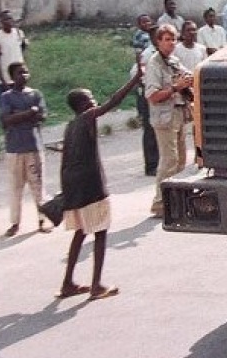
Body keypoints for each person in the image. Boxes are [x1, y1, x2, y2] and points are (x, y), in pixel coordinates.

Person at [57, 66, 142, 301]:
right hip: (91, 185)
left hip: (74, 185)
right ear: (84, 105)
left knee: (81, 232)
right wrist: (134, 80)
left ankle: (68, 283)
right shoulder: (87, 117)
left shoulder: (70, 126)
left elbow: (64, 161)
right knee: (101, 232)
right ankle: (96, 286)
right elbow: (114, 101)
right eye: (91, 99)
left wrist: (66, 193)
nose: (94, 102)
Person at [144, 24, 193, 218]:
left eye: (173, 39)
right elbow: (152, 95)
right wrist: (175, 87)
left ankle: (175, 202)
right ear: (158, 42)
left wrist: (187, 81)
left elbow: (186, 75)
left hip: (179, 113)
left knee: (180, 160)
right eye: (166, 39)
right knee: (168, 160)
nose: (171, 43)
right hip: (164, 116)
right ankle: (160, 204)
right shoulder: (154, 64)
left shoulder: (173, 61)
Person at [0, 62, 49, 237]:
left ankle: (43, 219)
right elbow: (6, 120)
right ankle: (15, 222)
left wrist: (19, 115)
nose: (24, 76)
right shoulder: (7, 96)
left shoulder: (35, 94)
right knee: (16, 187)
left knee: (38, 185)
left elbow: (42, 116)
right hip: (14, 148)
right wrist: (29, 113)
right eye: (20, 73)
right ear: (12, 76)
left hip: (33, 145)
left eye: (26, 72)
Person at [131, 14, 158, 175]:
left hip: (157, 95)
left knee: (157, 129)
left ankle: (158, 161)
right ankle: (151, 165)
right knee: (149, 130)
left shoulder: (160, 52)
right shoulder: (148, 54)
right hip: (147, 95)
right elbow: (138, 74)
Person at [0, 9, 28, 114]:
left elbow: (22, 47)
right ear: (1, 22)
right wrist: (3, 81)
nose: (9, 21)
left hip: (19, 78)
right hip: (5, 81)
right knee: (7, 110)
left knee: (22, 107)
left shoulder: (18, 33)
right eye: (5, 19)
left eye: (10, 18)